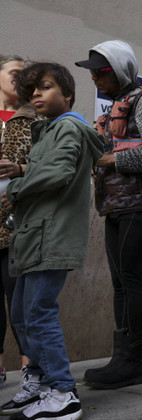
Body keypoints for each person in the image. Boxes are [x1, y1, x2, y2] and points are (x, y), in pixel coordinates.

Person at [0, 62, 103, 420]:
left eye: (45, 87)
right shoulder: (52, 131)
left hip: (51, 236)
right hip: (36, 236)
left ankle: (63, 392)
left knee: (39, 313)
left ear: (68, 94)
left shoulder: (69, 127)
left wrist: (15, 186)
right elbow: (54, 165)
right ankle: (42, 382)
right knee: (21, 313)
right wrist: (24, 169)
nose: (36, 95)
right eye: (32, 92)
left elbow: (60, 171)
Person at [75, 40, 142, 389]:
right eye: (92, 73)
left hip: (141, 204)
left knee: (132, 279)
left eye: (100, 72)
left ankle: (133, 362)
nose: (95, 79)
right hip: (116, 205)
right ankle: (123, 358)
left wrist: (111, 159)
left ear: (119, 70)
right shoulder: (114, 106)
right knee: (120, 283)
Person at [0, 54, 33, 387]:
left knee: (20, 300)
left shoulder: (33, 119)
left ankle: (29, 366)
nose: (19, 78)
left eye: (25, 75)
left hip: (17, 222)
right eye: (13, 72)